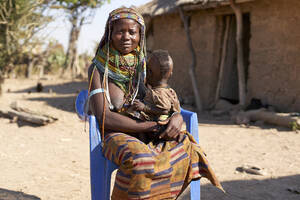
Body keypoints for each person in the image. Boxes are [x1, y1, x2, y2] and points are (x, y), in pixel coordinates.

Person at [87, 7, 223, 199]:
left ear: (140, 35)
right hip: (115, 134)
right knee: (140, 159)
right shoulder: (97, 69)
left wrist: (176, 116)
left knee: (188, 147)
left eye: (132, 32)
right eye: (120, 31)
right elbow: (103, 117)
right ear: (110, 33)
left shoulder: (145, 66)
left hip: (149, 130)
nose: (126, 37)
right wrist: (152, 125)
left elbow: (164, 97)